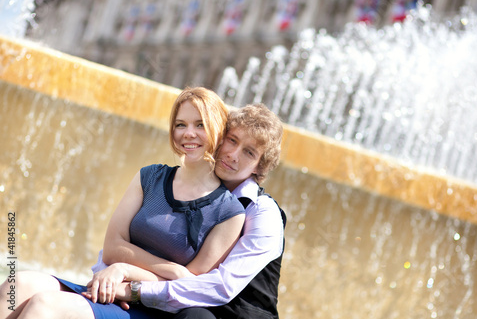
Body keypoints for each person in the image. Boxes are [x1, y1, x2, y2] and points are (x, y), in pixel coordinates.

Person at [0, 86, 246, 319]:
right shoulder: (150, 177)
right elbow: (112, 247)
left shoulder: (229, 212)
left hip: (152, 309)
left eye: (200, 125)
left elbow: (191, 285)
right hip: (108, 287)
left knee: (45, 304)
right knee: (17, 284)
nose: (188, 133)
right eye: (180, 124)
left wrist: (125, 271)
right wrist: (170, 269)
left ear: (217, 129)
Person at [98, 103, 286, 319]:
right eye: (232, 140)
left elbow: (221, 286)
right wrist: (115, 274)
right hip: (183, 307)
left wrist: (134, 290)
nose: (233, 155)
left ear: (258, 167)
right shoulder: (188, 187)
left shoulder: (264, 213)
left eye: (249, 152)